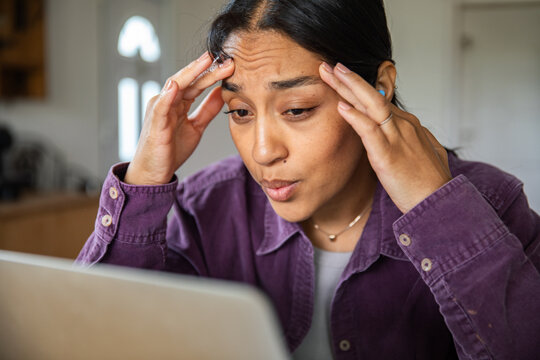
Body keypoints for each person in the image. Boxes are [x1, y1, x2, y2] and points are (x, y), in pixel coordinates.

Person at [77, 0, 540, 358]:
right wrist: (144, 179)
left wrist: (436, 209)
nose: (262, 152)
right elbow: (90, 336)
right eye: (239, 112)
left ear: (378, 87)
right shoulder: (205, 210)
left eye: (297, 109)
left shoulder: (492, 206)